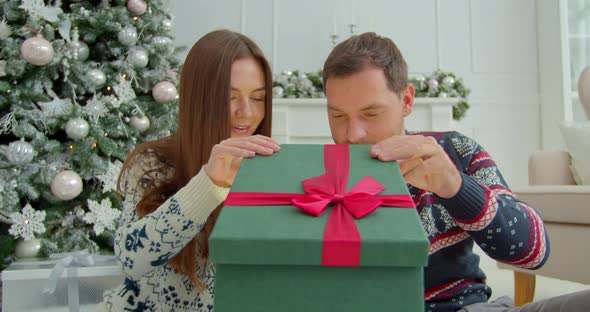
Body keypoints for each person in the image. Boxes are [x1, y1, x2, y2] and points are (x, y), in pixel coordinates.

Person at [322, 32, 590, 312]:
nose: (352, 134)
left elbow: (533, 252)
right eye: (338, 116)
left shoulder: (455, 150)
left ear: (407, 101)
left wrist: (457, 188)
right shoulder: (315, 175)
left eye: (371, 113)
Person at [99, 30, 280, 311]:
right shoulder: (152, 164)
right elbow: (130, 260)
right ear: (200, 99)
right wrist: (208, 185)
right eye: (230, 97)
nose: (246, 112)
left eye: (257, 98)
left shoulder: (267, 170)